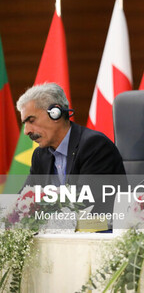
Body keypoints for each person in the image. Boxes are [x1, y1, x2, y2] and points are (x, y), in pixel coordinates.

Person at [18, 83, 126, 216]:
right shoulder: (40, 155)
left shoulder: (94, 145)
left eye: (31, 121)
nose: (27, 131)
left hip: (99, 230)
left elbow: (83, 202)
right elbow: (23, 199)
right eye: (25, 124)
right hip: (58, 231)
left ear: (55, 114)